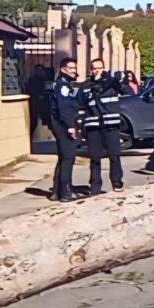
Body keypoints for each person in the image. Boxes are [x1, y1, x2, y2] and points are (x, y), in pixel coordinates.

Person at [82, 58, 133, 194]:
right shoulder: (86, 86)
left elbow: (127, 91)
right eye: (94, 68)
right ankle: (95, 186)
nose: (97, 71)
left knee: (114, 155)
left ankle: (117, 182)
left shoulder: (111, 83)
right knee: (94, 158)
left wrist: (115, 80)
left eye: (99, 68)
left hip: (110, 125)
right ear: (90, 70)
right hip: (93, 126)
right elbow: (81, 105)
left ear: (104, 68)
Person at [48, 57, 85, 202]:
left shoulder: (61, 85)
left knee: (63, 157)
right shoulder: (63, 86)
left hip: (61, 124)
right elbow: (64, 109)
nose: (74, 71)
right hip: (64, 125)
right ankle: (66, 192)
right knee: (68, 158)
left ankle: (57, 191)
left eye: (75, 68)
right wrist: (71, 126)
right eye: (71, 68)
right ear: (63, 69)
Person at [25, 64, 50, 136]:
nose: (40, 71)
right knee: (34, 121)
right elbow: (30, 90)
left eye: (41, 70)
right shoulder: (33, 79)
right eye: (38, 70)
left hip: (41, 103)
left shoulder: (44, 79)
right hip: (35, 103)